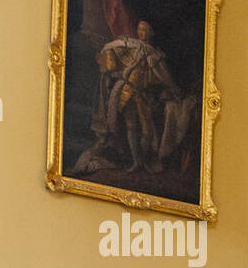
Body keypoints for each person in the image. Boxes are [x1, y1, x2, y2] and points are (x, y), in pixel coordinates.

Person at [71, 19, 196, 176]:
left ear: (152, 32)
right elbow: (108, 50)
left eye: (145, 30)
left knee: (147, 132)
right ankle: (136, 162)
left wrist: (174, 91)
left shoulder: (153, 55)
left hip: (143, 96)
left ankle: (141, 160)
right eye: (140, 29)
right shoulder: (132, 46)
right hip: (125, 93)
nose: (141, 33)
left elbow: (164, 78)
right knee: (131, 127)